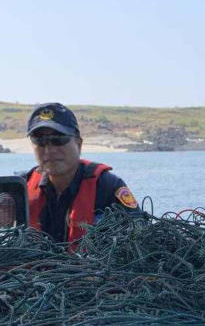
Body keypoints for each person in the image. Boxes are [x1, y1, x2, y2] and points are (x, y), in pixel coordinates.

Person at [23, 102, 138, 246]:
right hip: (33, 268)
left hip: (92, 267)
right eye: (40, 141)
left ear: (78, 144)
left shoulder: (108, 187)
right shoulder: (21, 187)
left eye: (59, 140)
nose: (49, 149)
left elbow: (140, 235)